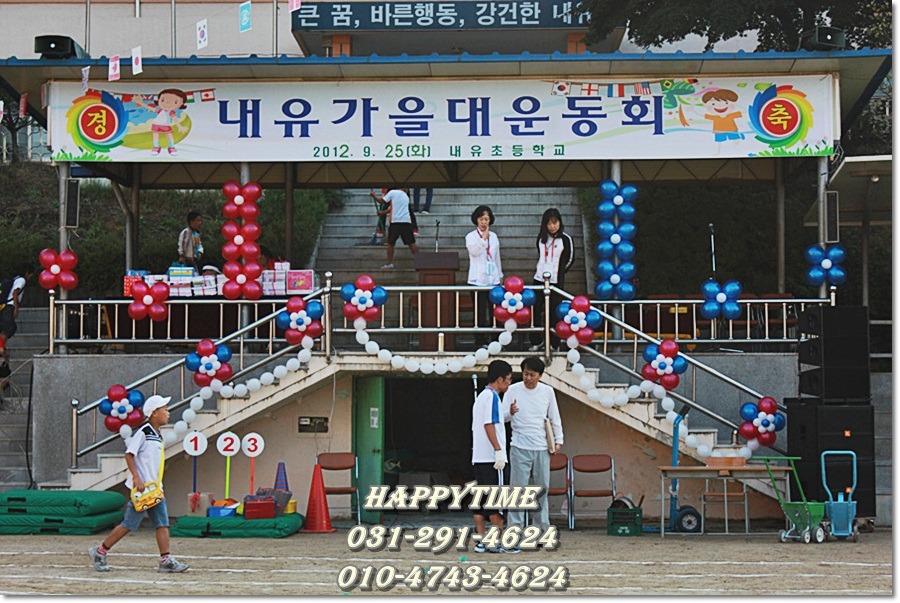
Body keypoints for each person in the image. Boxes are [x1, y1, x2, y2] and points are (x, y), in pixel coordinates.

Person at [88, 395, 189, 573]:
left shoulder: (157, 435)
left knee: (162, 523)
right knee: (129, 524)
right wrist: (136, 477)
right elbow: (129, 454)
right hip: (142, 490)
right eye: (164, 409)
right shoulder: (144, 432)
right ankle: (100, 551)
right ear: (154, 413)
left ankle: (165, 560)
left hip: (154, 489)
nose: (168, 412)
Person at [505, 357, 564, 533]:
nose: (528, 378)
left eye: (532, 375)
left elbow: (554, 417)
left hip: (541, 446)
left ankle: (541, 529)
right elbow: (502, 416)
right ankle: (515, 528)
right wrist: (510, 412)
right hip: (519, 445)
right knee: (517, 490)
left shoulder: (547, 391)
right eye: (525, 374)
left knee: (541, 489)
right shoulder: (513, 389)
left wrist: (559, 440)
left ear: (540, 376)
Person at [471, 359, 519, 554]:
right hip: (492, 458)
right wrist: (498, 449)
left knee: (481, 501)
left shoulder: (481, 397)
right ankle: (497, 541)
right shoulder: (492, 397)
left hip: (479, 457)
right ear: (500, 379)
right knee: (497, 501)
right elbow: (489, 424)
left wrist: (508, 413)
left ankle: (481, 541)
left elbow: (492, 420)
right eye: (508, 379)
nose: (509, 383)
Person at [529, 208, 574, 351]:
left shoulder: (565, 239)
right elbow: (540, 255)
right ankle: (536, 341)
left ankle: (554, 343)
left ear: (560, 222)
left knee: (554, 314)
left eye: (555, 223)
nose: (552, 226)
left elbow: (570, 259)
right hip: (539, 279)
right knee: (536, 311)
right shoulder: (541, 238)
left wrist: (560, 273)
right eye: (549, 224)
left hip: (555, 282)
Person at [466, 205, 502, 346]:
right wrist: (483, 239)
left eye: (486, 219)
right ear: (476, 220)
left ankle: (496, 340)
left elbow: (496, 257)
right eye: (481, 219)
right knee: (479, 312)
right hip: (477, 280)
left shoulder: (494, 236)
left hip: (493, 279)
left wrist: (500, 274)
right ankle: (480, 341)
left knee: (495, 311)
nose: (484, 222)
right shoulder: (471, 236)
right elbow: (474, 252)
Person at [371, 187, 419, 269]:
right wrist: (383, 212)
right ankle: (420, 261)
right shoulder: (406, 196)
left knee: (390, 243)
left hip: (395, 222)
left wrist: (374, 196)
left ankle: (390, 263)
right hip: (406, 222)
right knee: (411, 243)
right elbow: (393, 208)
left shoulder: (392, 192)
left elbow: (382, 201)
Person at [0, 262, 34, 369]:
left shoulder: (15, 279)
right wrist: (15, 308)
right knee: (8, 329)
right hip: (9, 308)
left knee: (10, 328)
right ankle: (1, 348)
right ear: (27, 273)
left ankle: (2, 348)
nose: (31, 277)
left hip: (4, 307)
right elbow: (15, 292)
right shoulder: (22, 280)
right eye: (31, 274)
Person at [135, 88, 189, 156]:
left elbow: (175, 119)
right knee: (155, 136)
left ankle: (171, 147)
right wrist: (141, 103)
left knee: (169, 136)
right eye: (163, 100)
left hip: (165, 125)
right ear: (158, 100)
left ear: (181, 104)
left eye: (175, 102)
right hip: (156, 125)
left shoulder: (171, 112)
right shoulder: (160, 110)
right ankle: (156, 147)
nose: (167, 103)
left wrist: (179, 126)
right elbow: (149, 108)